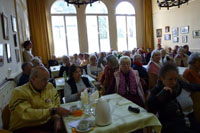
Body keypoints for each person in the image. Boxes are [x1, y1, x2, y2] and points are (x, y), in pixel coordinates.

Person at [9, 66, 71, 132]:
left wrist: (57, 118)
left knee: (68, 127)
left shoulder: (49, 86)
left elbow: (57, 103)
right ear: (33, 79)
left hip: (47, 122)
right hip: (26, 127)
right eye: (44, 80)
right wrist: (52, 111)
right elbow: (26, 114)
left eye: (48, 79)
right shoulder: (19, 92)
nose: (47, 83)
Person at [148, 62, 200, 133]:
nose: (174, 82)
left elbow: (192, 87)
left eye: (175, 79)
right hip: (169, 126)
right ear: (162, 78)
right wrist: (162, 94)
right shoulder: (157, 90)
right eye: (170, 79)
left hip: (187, 121)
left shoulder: (180, 84)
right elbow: (151, 107)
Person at [183, 53, 200, 125]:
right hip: (194, 99)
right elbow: (187, 87)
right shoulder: (188, 72)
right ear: (193, 62)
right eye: (199, 61)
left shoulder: (196, 71)